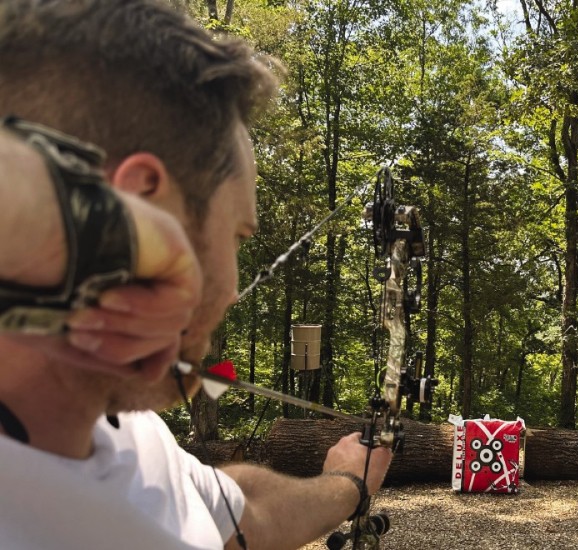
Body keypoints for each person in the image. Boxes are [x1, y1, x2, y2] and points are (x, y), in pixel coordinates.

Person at [0, 1, 392, 549]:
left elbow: (243, 510)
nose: (234, 287)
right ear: (136, 212)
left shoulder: (125, 428)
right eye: (237, 236)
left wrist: (346, 482)